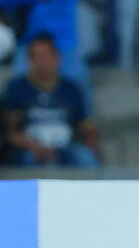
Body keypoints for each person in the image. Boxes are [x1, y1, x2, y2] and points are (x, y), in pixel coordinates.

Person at [1, 34, 101, 166]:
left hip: (65, 148)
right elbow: (10, 131)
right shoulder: (17, 88)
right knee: (24, 160)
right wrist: (34, 147)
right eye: (37, 56)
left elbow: (86, 126)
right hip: (29, 148)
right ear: (30, 60)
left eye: (47, 55)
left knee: (85, 158)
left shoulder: (71, 89)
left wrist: (94, 148)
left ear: (57, 58)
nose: (43, 61)